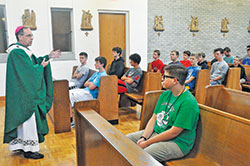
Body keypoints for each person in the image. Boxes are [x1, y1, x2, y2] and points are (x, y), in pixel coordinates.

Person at [4, 26, 61, 159]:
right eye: (29, 36)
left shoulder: (23, 52)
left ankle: (20, 145)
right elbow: (29, 72)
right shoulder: (17, 52)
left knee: (24, 123)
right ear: (20, 36)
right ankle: (29, 150)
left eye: (32, 36)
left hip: (23, 93)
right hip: (24, 95)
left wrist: (48, 57)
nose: (32, 38)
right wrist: (41, 67)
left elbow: (33, 64)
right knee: (28, 121)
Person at [127, 64, 199, 162]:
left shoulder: (188, 102)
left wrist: (147, 143)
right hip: (158, 133)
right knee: (125, 140)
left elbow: (173, 132)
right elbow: (154, 118)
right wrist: (144, 137)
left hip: (177, 142)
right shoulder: (165, 94)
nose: (162, 79)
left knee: (143, 155)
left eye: (165, 76)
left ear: (175, 80)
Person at [69, 56, 107, 127]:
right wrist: (90, 84)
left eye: (97, 63)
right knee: (67, 93)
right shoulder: (96, 74)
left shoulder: (103, 75)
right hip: (85, 91)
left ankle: (71, 121)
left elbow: (92, 87)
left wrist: (90, 84)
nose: (95, 64)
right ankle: (69, 119)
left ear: (102, 64)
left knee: (69, 96)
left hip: (90, 95)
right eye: (95, 63)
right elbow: (85, 83)